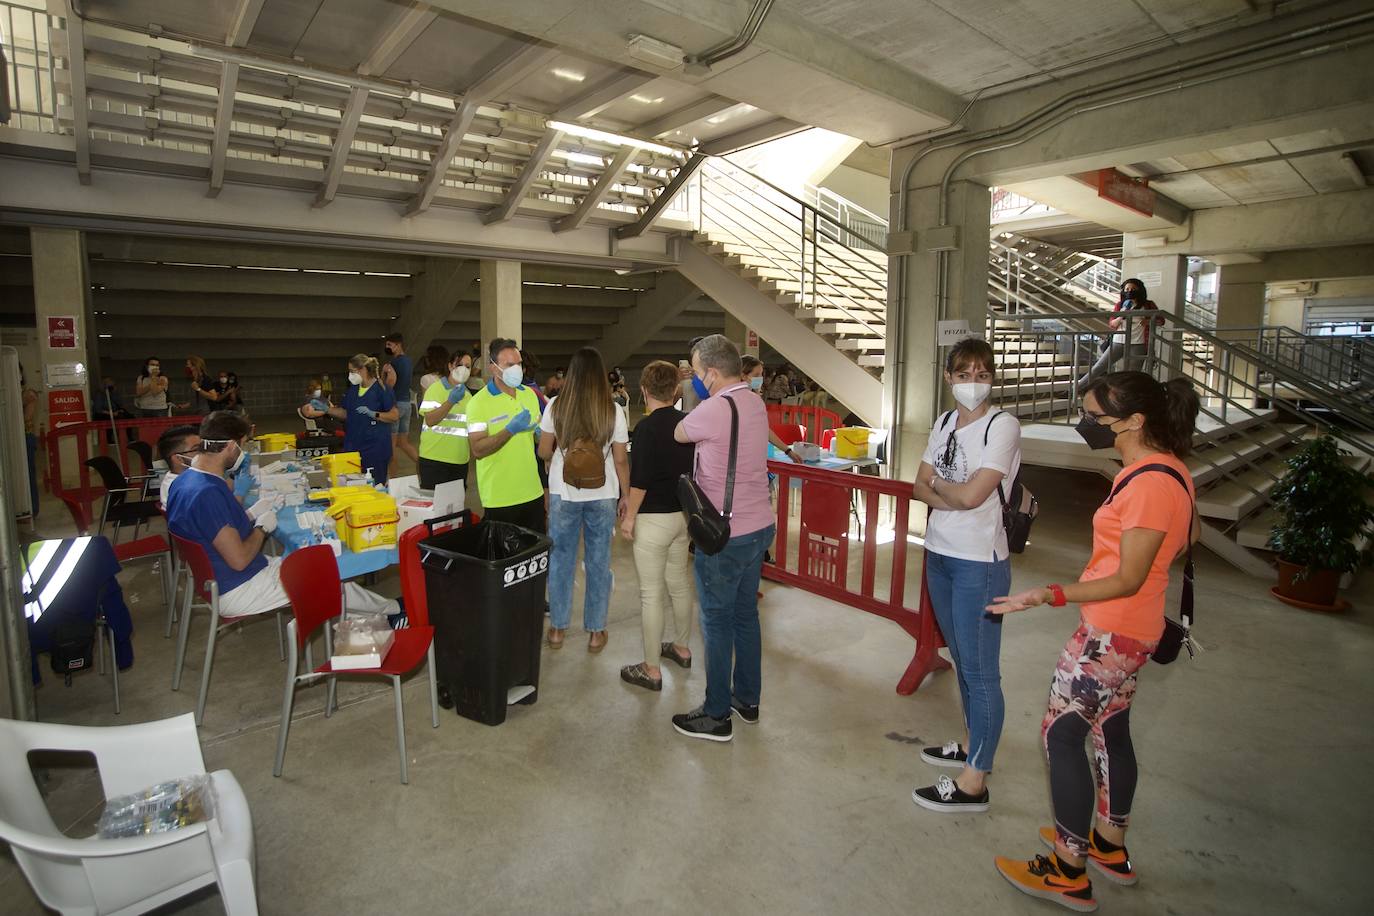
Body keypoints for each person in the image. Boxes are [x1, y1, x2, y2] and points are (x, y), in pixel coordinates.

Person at [987, 371, 1200, 911]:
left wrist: (1049, 594)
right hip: (1137, 628)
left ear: (1133, 421)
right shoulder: (1166, 470)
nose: (1087, 424)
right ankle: (1109, 843)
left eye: (1095, 417)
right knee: (1111, 730)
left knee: (1061, 737)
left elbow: (1129, 575)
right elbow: (1186, 539)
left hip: (1111, 632)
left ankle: (1067, 867)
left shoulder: (1150, 483)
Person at [907, 338, 1022, 813]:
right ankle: (974, 742)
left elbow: (976, 497)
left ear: (991, 377)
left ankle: (976, 781)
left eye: (982, 372)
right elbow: (918, 485)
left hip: (980, 560)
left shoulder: (1003, 425)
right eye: (963, 372)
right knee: (960, 657)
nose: (973, 381)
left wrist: (941, 487)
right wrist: (946, 491)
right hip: (939, 552)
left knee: (980, 670)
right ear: (949, 377)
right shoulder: (944, 422)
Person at [166, 411, 401, 622]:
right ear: (230, 446)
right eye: (243, 445)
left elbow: (213, 528)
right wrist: (262, 527)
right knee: (328, 573)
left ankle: (383, 613)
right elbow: (239, 559)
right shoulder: (208, 493)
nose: (244, 452)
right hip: (239, 587)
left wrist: (251, 512)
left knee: (322, 566)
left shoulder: (185, 481)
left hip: (218, 579)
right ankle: (394, 611)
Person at [670, 335, 773, 743]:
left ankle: (716, 715)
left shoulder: (712, 409)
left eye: (696, 372)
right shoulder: (755, 401)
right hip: (759, 527)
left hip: (724, 534)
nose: (694, 379)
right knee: (745, 616)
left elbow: (679, 432)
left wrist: (692, 397)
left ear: (712, 373)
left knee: (715, 622)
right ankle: (746, 699)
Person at [537, 347, 629, 652]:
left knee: (561, 559)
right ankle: (595, 631)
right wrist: (625, 495)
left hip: (564, 492)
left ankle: (557, 630)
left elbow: (543, 451)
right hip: (603, 494)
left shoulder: (555, 406)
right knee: (598, 561)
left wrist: (559, 457)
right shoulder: (613, 410)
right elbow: (620, 460)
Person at [618, 360, 696, 691]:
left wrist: (629, 517)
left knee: (651, 593)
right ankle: (680, 647)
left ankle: (651, 668)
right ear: (676, 390)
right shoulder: (689, 423)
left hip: (653, 519)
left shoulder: (647, 429)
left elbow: (641, 481)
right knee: (678, 583)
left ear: (644, 390)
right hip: (682, 517)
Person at [465, 338, 545, 531]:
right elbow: (477, 449)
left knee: (534, 556)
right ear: (493, 368)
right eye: (509, 365)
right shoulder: (478, 403)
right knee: (505, 557)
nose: (516, 369)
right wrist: (510, 430)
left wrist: (541, 433)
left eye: (518, 364)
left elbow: (539, 440)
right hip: (500, 497)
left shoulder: (530, 395)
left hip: (532, 491)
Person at [306, 354, 398, 484]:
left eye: (352, 371)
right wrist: (326, 409)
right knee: (352, 483)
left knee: (375, 485)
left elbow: (394, 415)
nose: (350, 375)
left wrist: (374, 414)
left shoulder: (381, 390)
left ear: (363, 370)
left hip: (375, 447)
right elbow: (346, 413)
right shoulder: (352, 391)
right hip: (354, 445)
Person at [1078, 278, 1161, 391]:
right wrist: (1121, 315)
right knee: (1099, 367)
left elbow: (1161, 320)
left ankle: (1128, 396)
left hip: (1138, 343)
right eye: (1127, 289)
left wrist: (1149, 321)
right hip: (1118, 342)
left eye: (1133, 289)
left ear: (1140, 290)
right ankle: (1075, 389)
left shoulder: (1148, 305)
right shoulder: (1120, 305)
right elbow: (1112, 324)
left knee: (1133, 374)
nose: (1129, 291)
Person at [418, 347, 473, 490]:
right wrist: (450, 401)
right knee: (435, 508)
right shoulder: (435, 389)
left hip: (459, 460)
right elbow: (430, 420)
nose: (464, 369)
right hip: (434, 458)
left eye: (468, 366)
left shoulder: (468, 395)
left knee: (455, 508)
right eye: (459, 365)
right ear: (450, 366)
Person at [381, 332, 419, 477]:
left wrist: (385, 373)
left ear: (398, 345)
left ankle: (393, 478)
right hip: (406, 404)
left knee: (391, 446)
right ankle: (423, 466)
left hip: (395, 406)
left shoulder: (394, 363)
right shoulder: (408, 361)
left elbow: (390, 383)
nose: (388, 348)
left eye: (389, 345)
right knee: (403, 443)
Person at [156, 424, 202, 506]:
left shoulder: (181, 478)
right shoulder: (186, 489)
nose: (205, 453)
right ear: (178, 458)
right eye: (197, 449)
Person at [20, 364, 39, 517]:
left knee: (29, 473)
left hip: (25, 437)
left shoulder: (28, 394)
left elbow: (27, 417)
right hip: (16, 439)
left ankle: (32, 508)